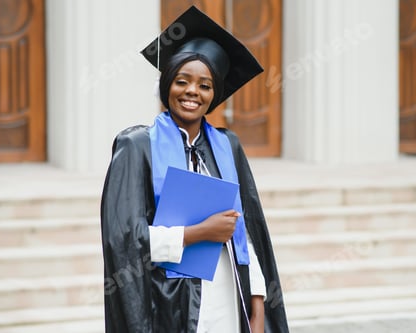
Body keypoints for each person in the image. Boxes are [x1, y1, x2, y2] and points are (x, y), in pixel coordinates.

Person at [101, 5, 289, 333]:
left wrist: (257, 306)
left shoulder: (227, 146)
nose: (192, 92)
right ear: (167, 86)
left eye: (205, 85)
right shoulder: (137, 146)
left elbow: (249, 232)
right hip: (167, 304)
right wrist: (197, 234)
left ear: (214, 94)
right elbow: (123, 241)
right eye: (182, 81)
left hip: (228, 299)